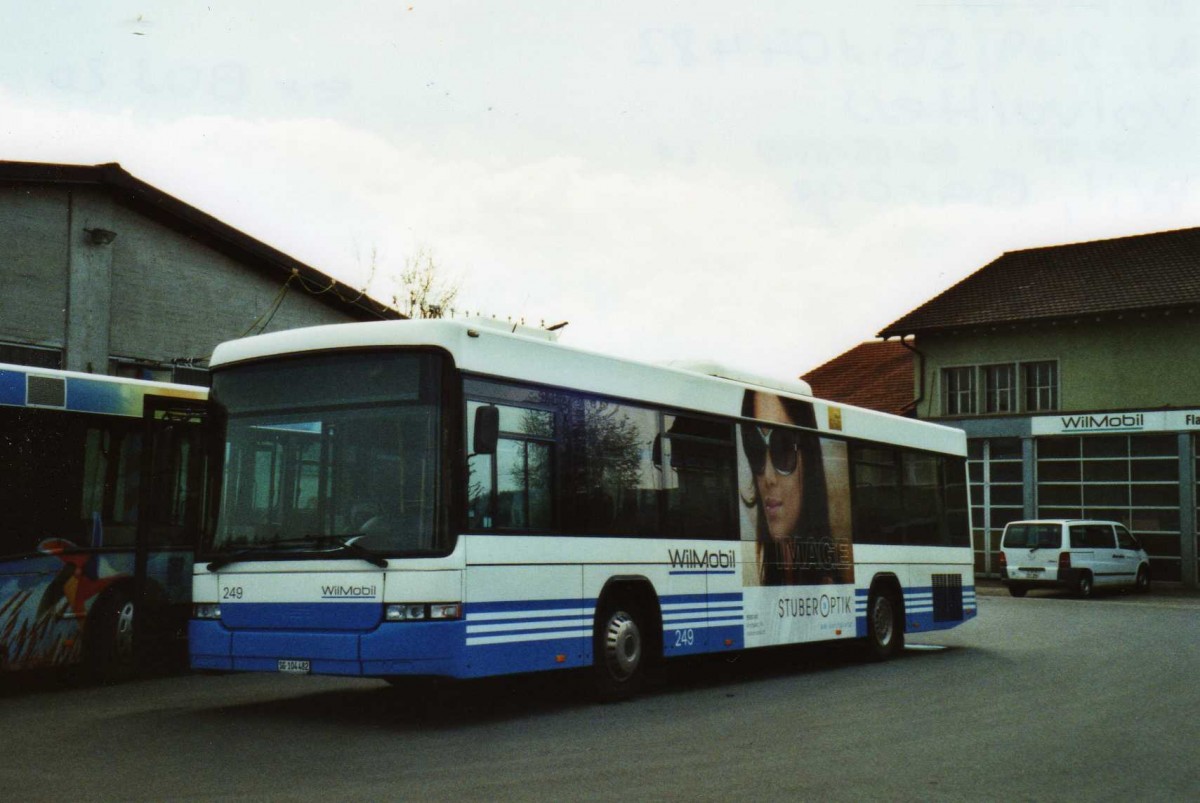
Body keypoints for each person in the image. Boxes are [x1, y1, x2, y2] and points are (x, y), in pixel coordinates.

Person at [740, 390, 846, 585]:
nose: (768, 478)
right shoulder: (764, 582)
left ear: (808, 458)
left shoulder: (829, 581)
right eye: (755, 447)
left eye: (783, 446)